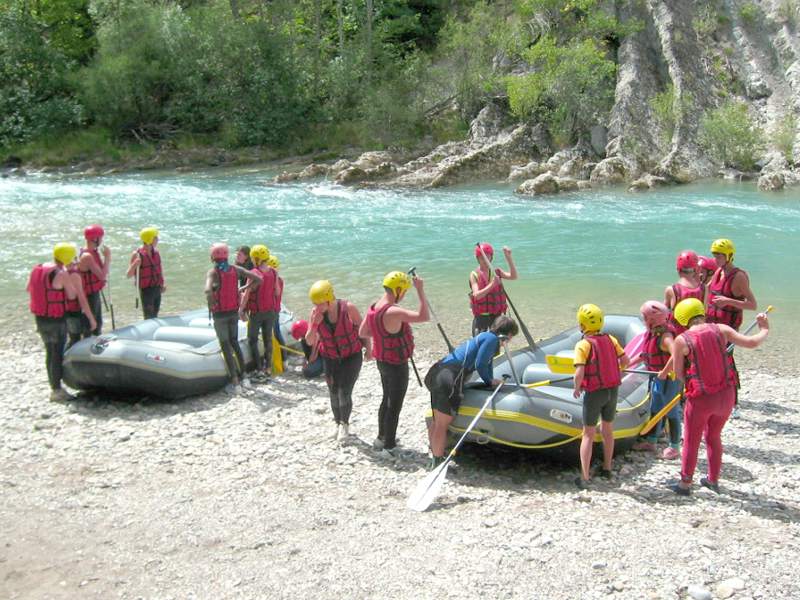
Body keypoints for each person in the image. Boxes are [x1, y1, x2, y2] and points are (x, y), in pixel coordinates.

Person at [669, 298, 769, 495]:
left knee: (691, 439)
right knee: (713, 436)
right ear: (702, 312)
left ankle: (685, 483)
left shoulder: (682, 340)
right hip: (727, 395)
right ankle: (713, 480)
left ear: (682, 319)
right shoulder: (721, 329)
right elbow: (752, 342)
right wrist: (764, 328)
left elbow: (678, 373)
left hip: (702, 398)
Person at [425, 316, 519, 470]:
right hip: (449, 377)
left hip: (438, 372)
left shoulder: (484, 336)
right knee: (442, 424)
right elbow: (480, 364)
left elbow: (486, 364)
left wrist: (490, 379)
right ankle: (437, 462)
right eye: (510, 337)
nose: (509, 341)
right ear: (506, 334)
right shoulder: (492, 340)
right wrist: (489, 381)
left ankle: (435, 457)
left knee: (437, 421)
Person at [359, 271, 430, 457]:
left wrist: (382, 335)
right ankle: (389, 447)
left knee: (386, 399)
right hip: (397, 364)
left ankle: (381, 437)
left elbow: (363, 332)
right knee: (394, 405)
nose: (404, 295)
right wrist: (420, 291)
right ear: (398, 290)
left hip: (382, 361)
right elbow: (424, 316)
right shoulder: (394, 311)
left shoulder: (373, 307)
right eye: (404, 291)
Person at [27, 243, 97, 401]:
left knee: (49, 352)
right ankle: (57, 390)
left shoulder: (38, 269)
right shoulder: (62, 274)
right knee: (57, 353)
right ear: (66, 258)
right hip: (56, 319)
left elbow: (28, 288)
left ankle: (54, 387)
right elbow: (72, 296)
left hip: (40, 317)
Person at [305, 280, 370, 442]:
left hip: (352, 356)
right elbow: (309, 341)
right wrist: (314, 325)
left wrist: (369, 350)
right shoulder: (315, 314)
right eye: (315, 304)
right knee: (333, 391)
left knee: (344, 391)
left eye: (319, 304)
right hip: (330, 357)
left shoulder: (348, 308)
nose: (317, 307)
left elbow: (363, 331)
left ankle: (345, 425)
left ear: (328, 300)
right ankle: (336, 423)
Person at [572, 303, 629, 489]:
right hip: (612, 390)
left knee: (588, 434)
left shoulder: (583, 344)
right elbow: (625, 361)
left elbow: (579, 372)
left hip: (595, 393)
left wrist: (576, 387)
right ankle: (607, 467)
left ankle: (585, 477)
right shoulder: (611, 339)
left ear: (582, 325)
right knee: (607, 430)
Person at [705, 238, 757, 418]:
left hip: (728, 327)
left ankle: (734, 403)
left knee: (727, 361)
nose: (716, 258)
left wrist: (728, 301)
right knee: (713, 361)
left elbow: (752, 304)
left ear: (729, 256)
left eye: (719, 255)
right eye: (714, 255)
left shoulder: (739, 276)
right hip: (713, 325)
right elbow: (708, 291)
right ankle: (716, 396)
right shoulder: (718, 271)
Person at [204, 243, 260, 393]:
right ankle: (245, 378)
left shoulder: (213, 272)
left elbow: (207, 289)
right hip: (233, 313)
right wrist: (244, 288)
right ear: (226, 256)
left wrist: (211, 302)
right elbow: (257, 278)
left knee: (225, 346)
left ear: (213, 257)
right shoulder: (235, 269)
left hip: (220, 315)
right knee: (234, 343)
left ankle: (235, 383)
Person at [631, 301, 682, 459]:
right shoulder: (653, 333)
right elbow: (645, 354)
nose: (643, 319)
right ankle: (651, 442)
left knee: (671, 412)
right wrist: (626, 364)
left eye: (645, 317)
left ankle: (674, 447)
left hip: (669, 380)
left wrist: (664, 372)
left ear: (653, 319)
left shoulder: (666, 337)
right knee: (656, 408)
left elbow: (676, 354)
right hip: (657, 378)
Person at [238, 245, 280, 381]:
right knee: (268, 339)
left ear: (256, 258)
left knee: (252, 340)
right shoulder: (274, 272)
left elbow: (246, 295)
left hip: (257, 313)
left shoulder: (254, 273)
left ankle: (259, 369)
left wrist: (240, 310)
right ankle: (268, 368)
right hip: (271, 312)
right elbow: (277, 292)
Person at [469, 242, 518, 336]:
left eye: (488, 257)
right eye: (482, 258)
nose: (485, 260)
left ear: (491, 257)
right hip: (482, 317)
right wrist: (492, 284)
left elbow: (513, 276)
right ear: (478, 259)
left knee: (496, 344)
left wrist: (509, 258)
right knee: (480, 343)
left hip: (497, 316)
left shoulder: (496, 272)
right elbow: (477, 296)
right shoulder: (474, 275)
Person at [126, 227, 166, 319]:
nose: (157, 240)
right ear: (150, 240)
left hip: (157, 289)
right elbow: (128, 275)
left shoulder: (156, 253)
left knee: (155, 315)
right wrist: (135, 265)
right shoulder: (137, 255)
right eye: (155, 238)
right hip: (146, 291)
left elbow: (159, 270)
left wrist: (162, 284)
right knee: (149, 317)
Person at [78, 224, 110, 336]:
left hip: (93, 293)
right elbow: (102, 275)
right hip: (89, 296)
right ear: (95, 239)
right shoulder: (87, 256)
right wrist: (107, 258)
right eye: (101, 237)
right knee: (91, 326)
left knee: (98, 324)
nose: (102, 240)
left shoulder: (91, 252)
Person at [664, 250, 705, 334]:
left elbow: (663, 314)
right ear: (695, 269)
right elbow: (705, 312)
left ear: (678, 269)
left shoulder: (672, 290)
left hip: (678, 336)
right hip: (696, 334)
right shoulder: (704, 288)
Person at [267, 253, 287, 368]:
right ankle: (284, 359)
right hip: (276, 310)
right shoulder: (280, 280)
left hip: (271, 311)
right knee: (277, 333)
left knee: (273, 334)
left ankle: (278, 360)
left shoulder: (273, 281)